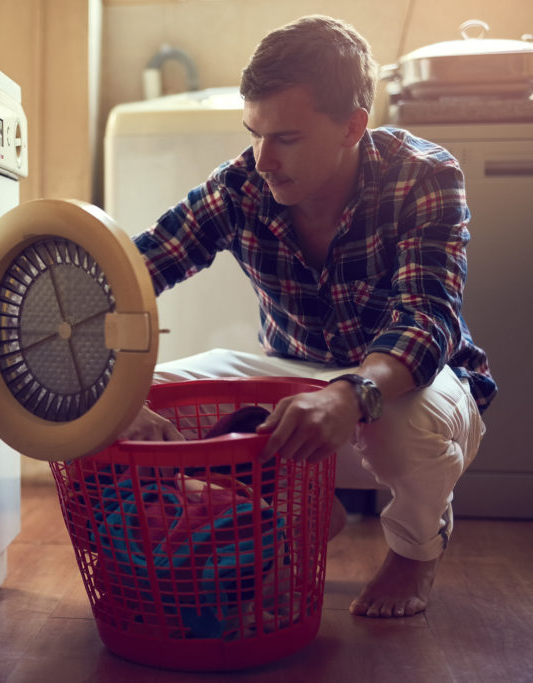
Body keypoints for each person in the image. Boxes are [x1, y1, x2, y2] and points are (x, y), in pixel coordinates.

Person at [118, 15, 494, 619]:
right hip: (291, 374)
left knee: (404, 425)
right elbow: (132, 272)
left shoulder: (424, 174)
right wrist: (106, 381)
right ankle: (294, 512)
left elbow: (428, 318)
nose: (263, 159)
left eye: (286, 138)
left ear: (353, 126)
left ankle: (416, 549)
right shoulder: (241, 185)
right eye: (254, 134)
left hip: (412, 385)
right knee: (127, 400)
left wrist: (351, 393)